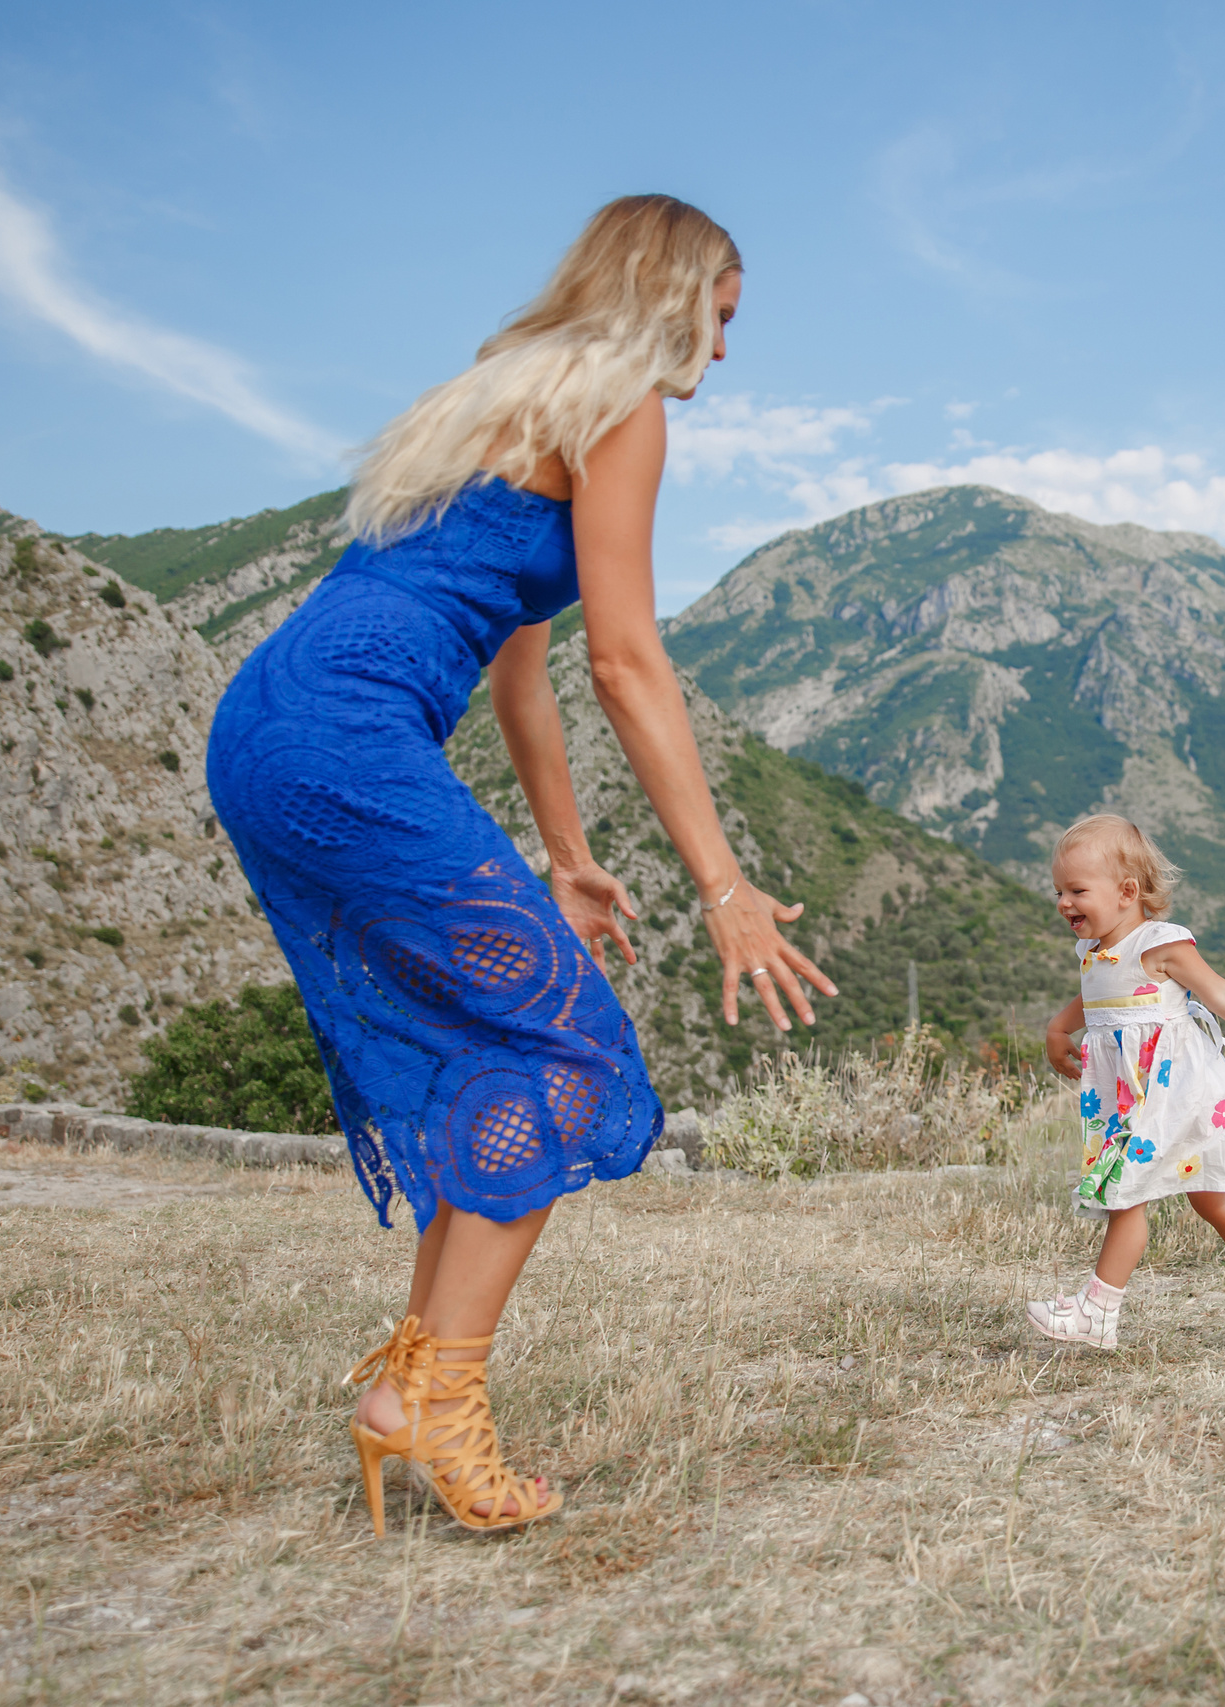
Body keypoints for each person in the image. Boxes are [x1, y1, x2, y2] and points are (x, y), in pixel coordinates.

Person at [206, 195, 835, 1535]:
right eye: (722, 316)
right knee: (571, 1057)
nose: (722, 353)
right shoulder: (621, 407)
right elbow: (626, 658)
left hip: (268, 723)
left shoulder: (501, 397)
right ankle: (438, 1398)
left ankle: (411, 1388)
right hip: (350, 738)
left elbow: (525, 679)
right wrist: (723, 885)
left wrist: (568, 855)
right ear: (672, 294)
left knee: (504, 1035)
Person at [1029, 814, 1225, 1352]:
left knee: (1134, 1196)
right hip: (1134, 1101)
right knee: (1208, 1200)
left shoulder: (1160, 945)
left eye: (1077, 890)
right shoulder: (1093, 952)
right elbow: (1096, 996)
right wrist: (1059, 1027)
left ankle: (1097, 1312)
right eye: (1058, 891)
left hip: (1178, 1096)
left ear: (1127, 892)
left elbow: (1222, 995)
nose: (1063, 903)